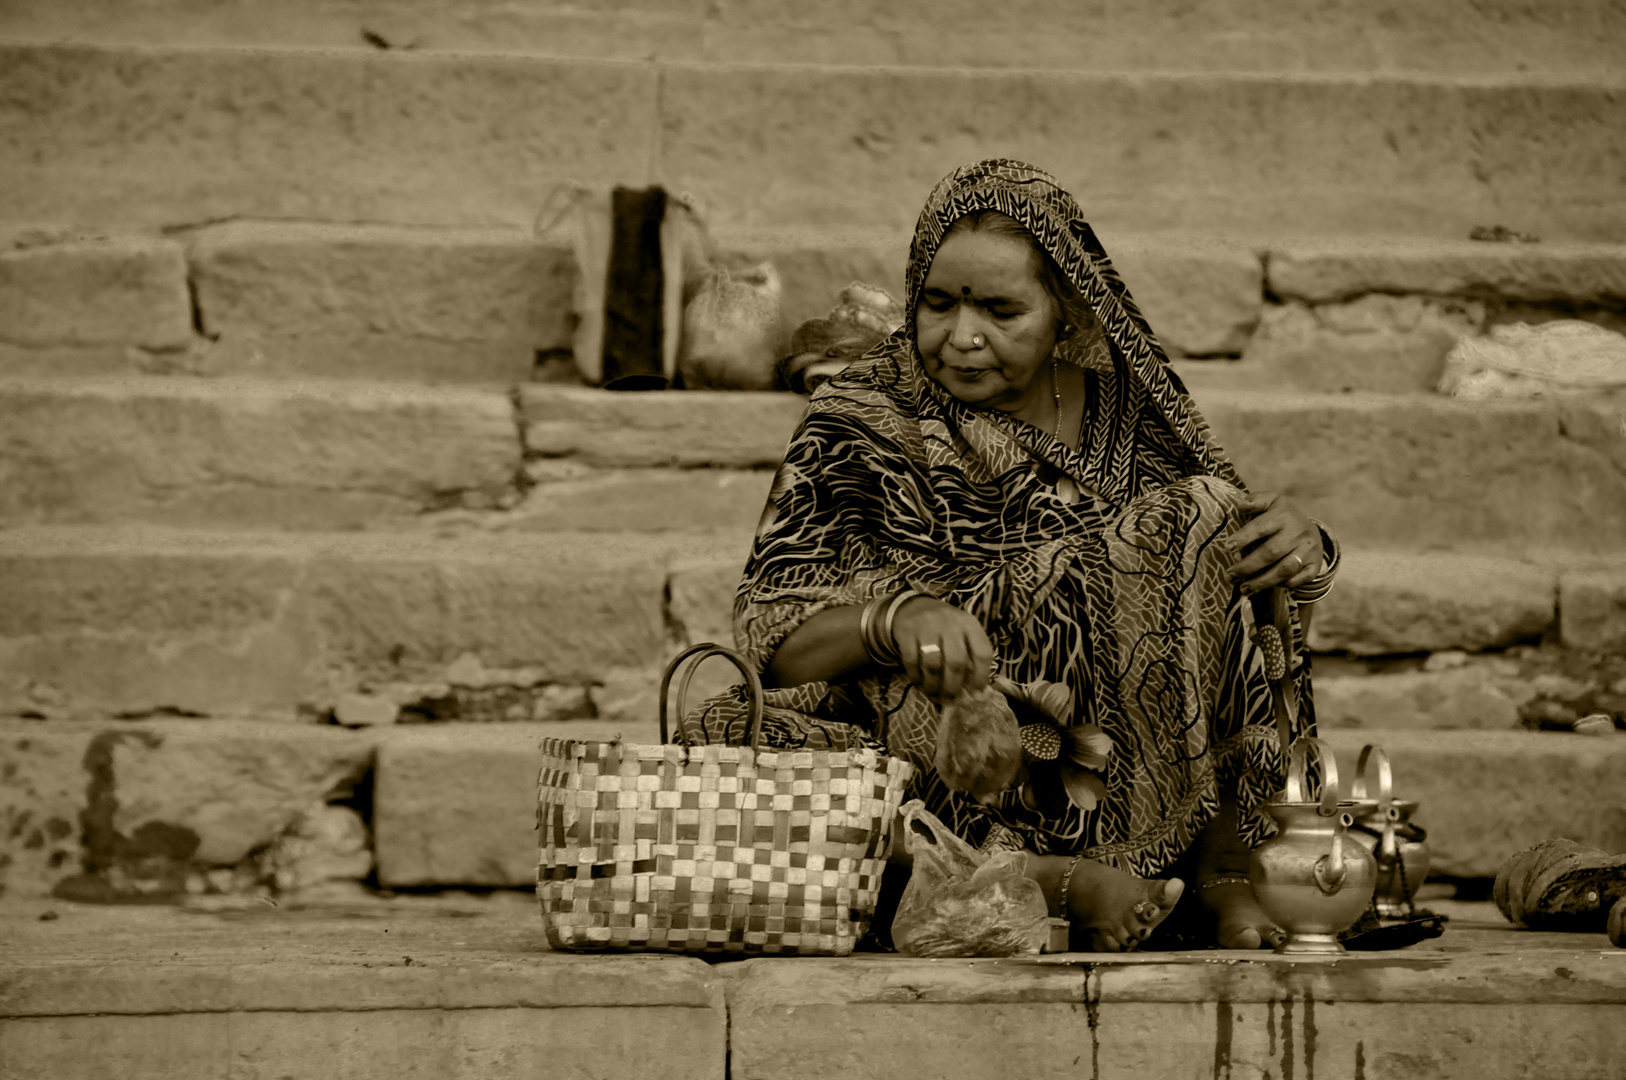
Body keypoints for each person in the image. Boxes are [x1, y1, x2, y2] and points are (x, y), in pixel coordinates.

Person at [678, 160, 1340, 952]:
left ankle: (1221, 868)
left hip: (1117, 733)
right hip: (947, 725)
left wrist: (1302, 546)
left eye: (1000, 310)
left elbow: (1220, 557)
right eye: (938, 303)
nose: (962, 337)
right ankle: (1055, 877)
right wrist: (898, 618)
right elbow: (768, 636)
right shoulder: (861, 414)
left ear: (1065, 312)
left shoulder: (1124, 412)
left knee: (1209, 513)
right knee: (727, 743)